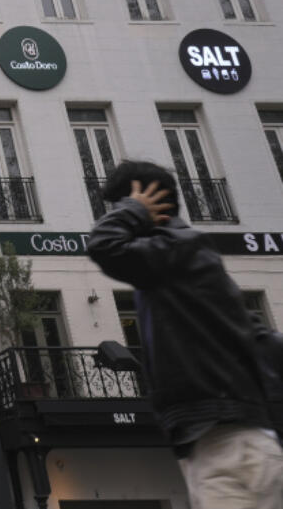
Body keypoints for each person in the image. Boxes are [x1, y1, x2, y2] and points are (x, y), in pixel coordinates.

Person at [88, 159, 283, 509]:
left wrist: (134, 209)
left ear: (147, 203)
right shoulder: (188, 262)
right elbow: (261, 340)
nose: (115, 217)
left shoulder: (174, 251)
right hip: (238, 436)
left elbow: (104, 246)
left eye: (118, 208)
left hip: (223, 438)